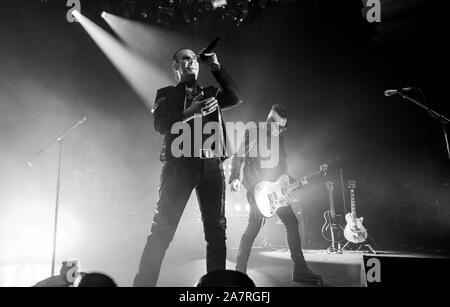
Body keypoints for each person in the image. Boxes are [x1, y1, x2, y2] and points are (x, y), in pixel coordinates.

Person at [133, 48, 242, 287]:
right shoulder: (167, 93)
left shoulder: (211, 92)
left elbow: (234, 97)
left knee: (216, 232)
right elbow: (160, 125)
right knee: (162, 231)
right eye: (185, 58)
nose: (191, 61)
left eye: (194, 58)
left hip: (212, 166)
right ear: (175, 66)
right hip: (179, 166)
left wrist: (217, 67)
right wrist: (188, 113)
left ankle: (215, 289)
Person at [228, 104, 323, 285]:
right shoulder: (254, 132)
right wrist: (234, 178)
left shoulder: (278, 139)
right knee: (253, 229)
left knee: (291, 223)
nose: (280, 130)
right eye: (277, 126)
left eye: (283, 127)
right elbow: (238, 156)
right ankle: (239, 274)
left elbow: (281, 168)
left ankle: (300, 271)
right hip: (257, 190)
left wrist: (290, 182)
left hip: (275, 190)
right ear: (269, 120)